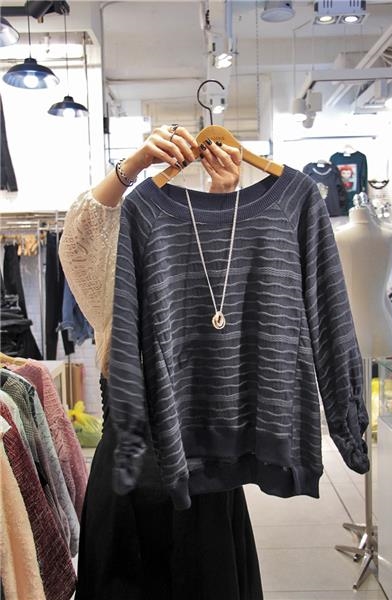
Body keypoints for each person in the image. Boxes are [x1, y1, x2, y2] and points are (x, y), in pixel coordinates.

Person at [59, 125, 263, 600]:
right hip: (132, 471)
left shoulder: (221, 267)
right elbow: (78, 238)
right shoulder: (111, 276)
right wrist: (133, 166)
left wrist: (223, 199)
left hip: (207, 469)